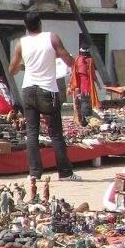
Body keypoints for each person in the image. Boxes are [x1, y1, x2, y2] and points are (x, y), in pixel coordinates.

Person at [8, 11, 80, 182]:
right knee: (55, 133)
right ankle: (65, 172)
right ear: (40, 24)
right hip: (48, 89)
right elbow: (69, 61)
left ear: (25, 26)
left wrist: (25, 66)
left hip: (28, 89)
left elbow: (12, 70)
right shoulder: (52, 38)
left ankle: (34, 173)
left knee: (32, 132)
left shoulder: (21, 44)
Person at [68, 47, 103, 123]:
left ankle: (84, 119)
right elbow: (73, 73)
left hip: (86, 86)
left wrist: (98, 84)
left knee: (85, 102)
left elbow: (92, 74)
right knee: (78, 103)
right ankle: (79, 119)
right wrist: (70, 84)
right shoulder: (76, 60)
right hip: (78, 85)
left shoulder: (89, 61)